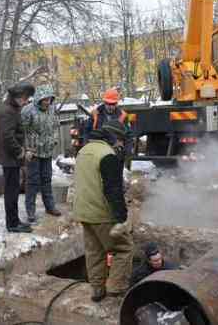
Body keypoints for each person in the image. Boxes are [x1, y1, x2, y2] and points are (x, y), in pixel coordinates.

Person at [72, 120, 133, 302]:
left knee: (95, 251)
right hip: (101, 214)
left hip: (83, 211)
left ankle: (97, 290)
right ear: (114, 138)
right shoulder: (108, 156)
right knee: (123, 249)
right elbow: (112, 189)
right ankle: (116, 289)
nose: (122, 145)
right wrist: (121, 217)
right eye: (121, 140)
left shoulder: (84, 150)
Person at [0, 82, 35, 233]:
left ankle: (14, 220)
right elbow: (7, 137)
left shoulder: (12, 108)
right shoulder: (7, 111)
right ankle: (12, 224)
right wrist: (20, 152)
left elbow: (14, 135)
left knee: (14, 190)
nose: (26, 102)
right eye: (25, 98)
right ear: (17, 96)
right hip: (9, 158)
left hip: (11, 157)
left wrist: (23, 148)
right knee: (11, 192)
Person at [21, 84, 62, 223]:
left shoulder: (52, 110)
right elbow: (21, 132)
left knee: (47, 179)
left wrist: (55, 139)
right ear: (38, 99)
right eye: (45, 99)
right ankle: (30, 210)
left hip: (47, 151)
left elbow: (56, 126)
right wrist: (27, 149)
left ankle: (50, 206)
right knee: (32, 181)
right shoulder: (28, 111)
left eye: (49, 99)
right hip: (33, 152)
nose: (47, 102)